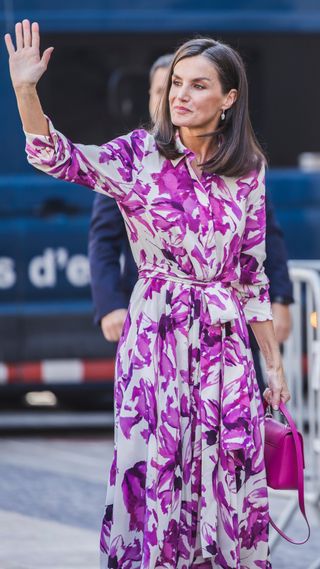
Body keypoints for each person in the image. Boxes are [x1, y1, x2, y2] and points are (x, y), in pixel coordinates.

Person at [5, 21, 291, 568]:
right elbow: (55, 155)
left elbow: (252, 276)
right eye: (177, 82)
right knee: (157, 466)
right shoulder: (139, 156)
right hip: (157, 338)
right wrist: (25, 91)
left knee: (226, 469)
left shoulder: (249, 171)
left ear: (229, 98)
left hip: (225, 345)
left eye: (198, 84)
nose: (181, 94)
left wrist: (272, 365)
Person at [88, 58, 293, 393]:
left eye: (195, 86)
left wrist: (281, 300)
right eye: (169, 87)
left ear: (227, 99)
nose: (175, 97)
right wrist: (110, 304)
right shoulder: (134, 161)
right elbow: (103, 240)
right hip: (158, 323)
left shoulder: (243, 168)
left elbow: (261, 245)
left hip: (222, 332)